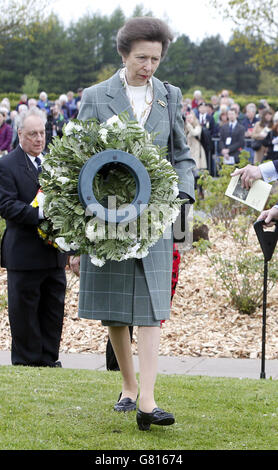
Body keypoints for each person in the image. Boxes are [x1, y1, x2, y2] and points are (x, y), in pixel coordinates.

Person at [69, 16, 195, 431]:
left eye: (156, 58)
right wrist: (78, 226)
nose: (149, 66)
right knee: (116, 309)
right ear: (123, 54)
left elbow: (182, 155)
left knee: (152, 307)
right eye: (142, 57)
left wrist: (182, 194)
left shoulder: (170, 96)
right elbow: (78, 157)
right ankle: (127, 384)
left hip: (156, 216)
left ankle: (148, 401)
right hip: (108, 212)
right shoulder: (95, 96)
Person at [0, 108, 67, 367]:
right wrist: (40, 214)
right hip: (24, 253)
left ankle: (50, 359)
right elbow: (6, 206)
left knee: (53, 309)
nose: (39, 139)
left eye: (42, 133)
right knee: (25, 313)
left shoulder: (55, 163)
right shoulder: (6, 165)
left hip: (53, 253)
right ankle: (28, 361)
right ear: (20, 135)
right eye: (33, 134)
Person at [184, 111, 207, 196]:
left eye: (190, 118)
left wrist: (188, 125)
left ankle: (201, 192)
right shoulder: (186, 128)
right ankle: (193, 193)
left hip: (198, 153)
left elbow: (194, 133)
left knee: (199, 174)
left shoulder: (198, 127)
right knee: (192, 174)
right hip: (190, 153)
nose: (189, 120)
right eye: (187, 118)